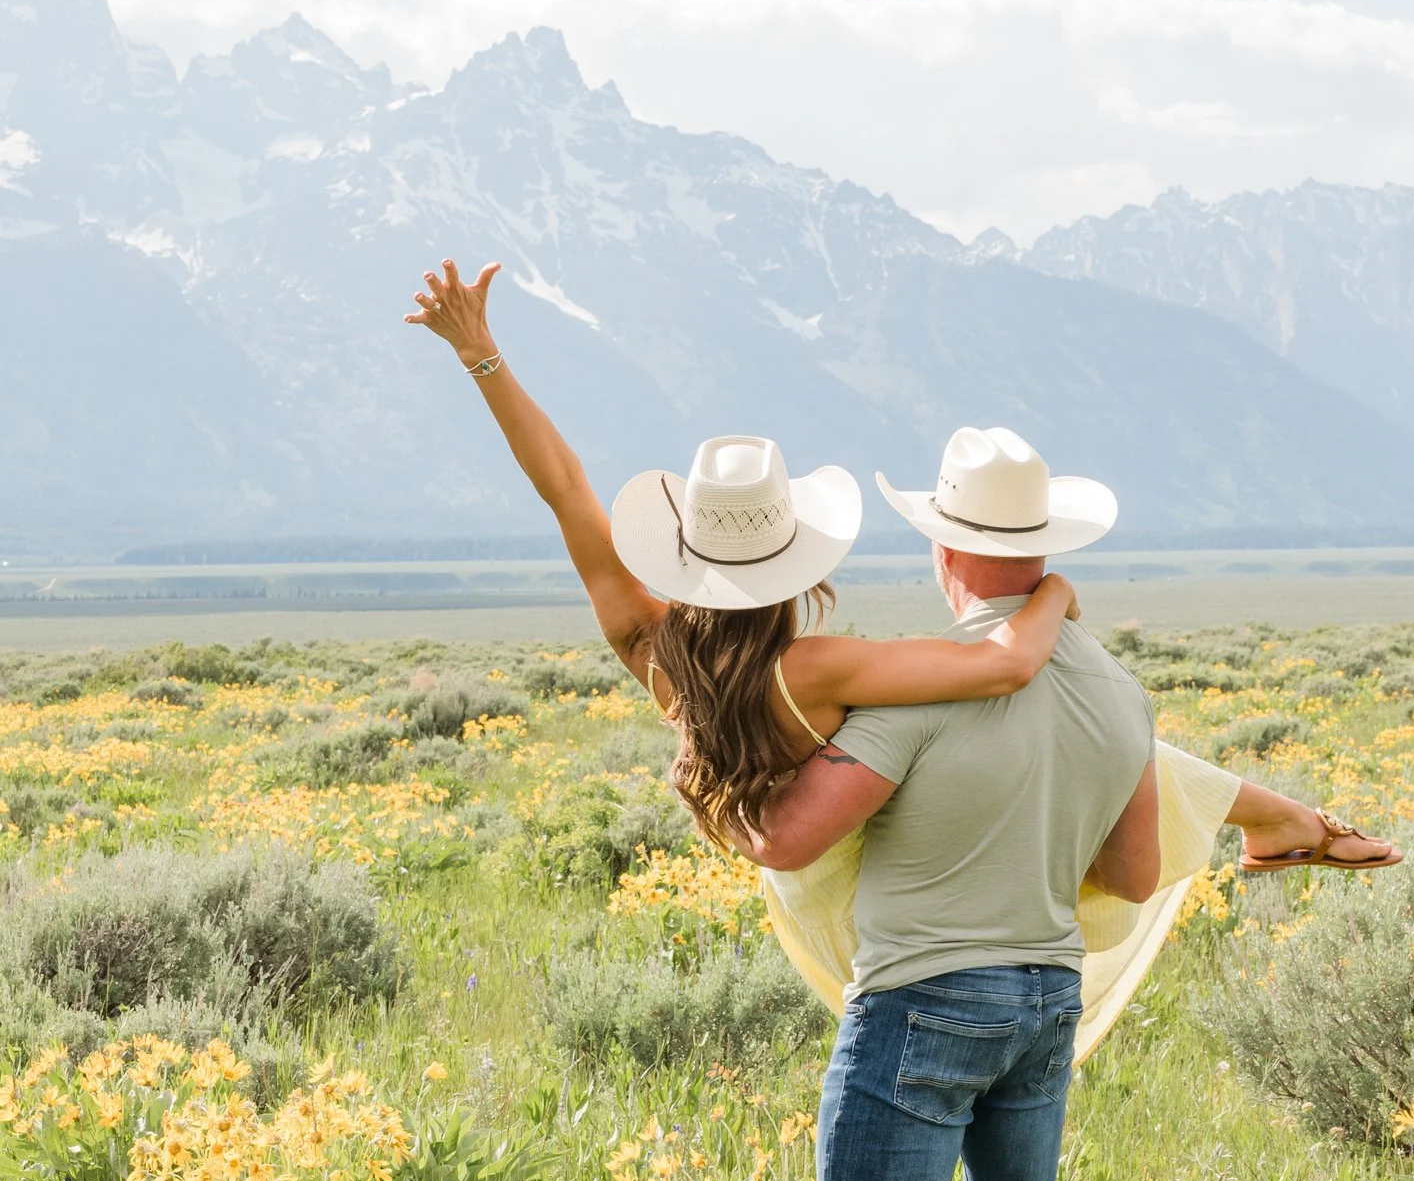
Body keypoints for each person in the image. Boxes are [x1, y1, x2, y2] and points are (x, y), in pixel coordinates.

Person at [745, 422, 1400, 1181]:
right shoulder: (1113, 692)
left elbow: (792, 840)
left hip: (918, 1002)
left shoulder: (922, 686)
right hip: (1043, 1000)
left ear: (944, 547)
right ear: (1042, 548)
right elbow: (1135, 871)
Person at [405, 262, 1079, 838]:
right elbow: (1009, 664)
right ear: (795, 568)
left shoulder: (654, 655)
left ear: (686, 555)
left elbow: (564, 488)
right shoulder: (818, 669)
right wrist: (1056, 592)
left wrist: (480, 355)